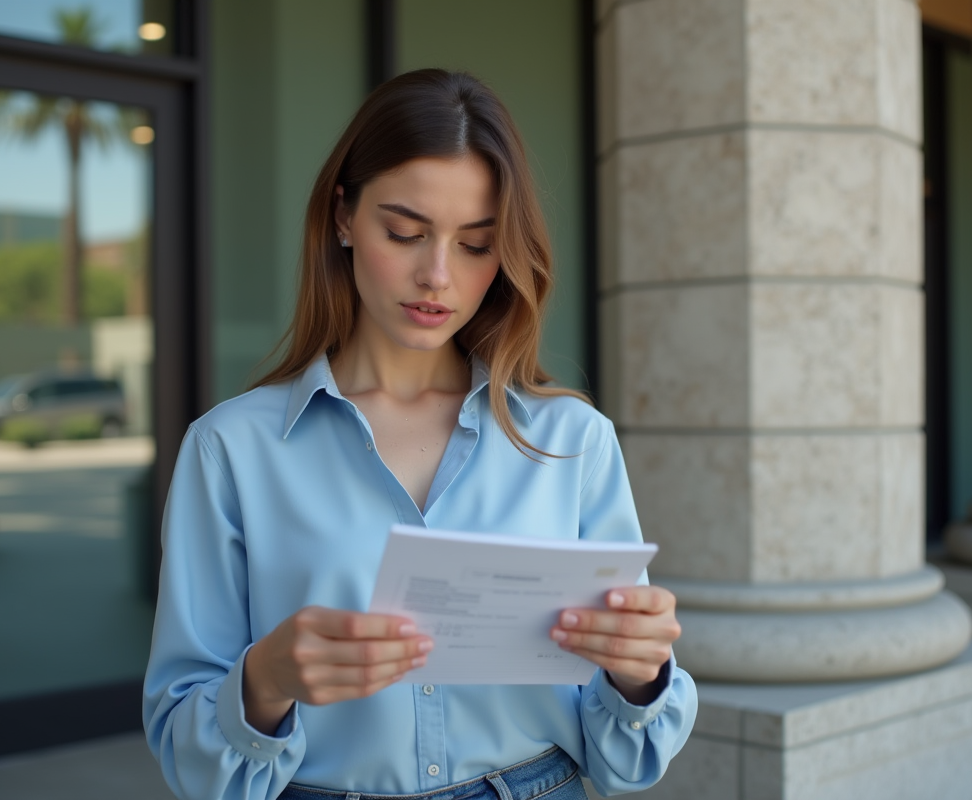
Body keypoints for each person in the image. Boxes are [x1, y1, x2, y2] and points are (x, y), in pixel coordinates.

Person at [143, 69, 697, 800]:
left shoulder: (574, 441)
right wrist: (265, 681)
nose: (437, 275)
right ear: (343, 216)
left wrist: (640, 674)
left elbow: (627, 760)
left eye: (475, 244)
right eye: (404, 232)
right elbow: (188, 750)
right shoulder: (231, 450)